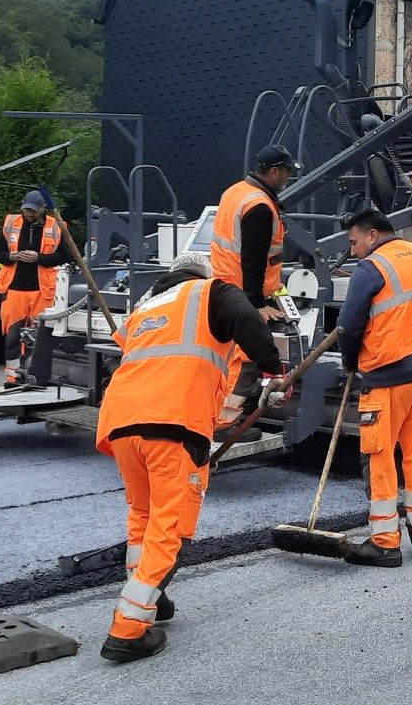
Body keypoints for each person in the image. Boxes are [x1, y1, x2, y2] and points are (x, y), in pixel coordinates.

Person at [94, 252, 283, 664]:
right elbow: (249, 320)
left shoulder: (147, 305)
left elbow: (120, 358)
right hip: (173, 421)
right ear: (201, 275)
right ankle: (128, 629)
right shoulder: (210, 291)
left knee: (143, 514)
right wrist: (273, 370)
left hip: (123, 421)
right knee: (170, 525)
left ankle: (150, 596)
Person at [334, 208, 412, 568]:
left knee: (380, 454)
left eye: (354, 242)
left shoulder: (371, 268)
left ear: (372, 235)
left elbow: (349, 325)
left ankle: (385, 543)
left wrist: (351, 362)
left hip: (389, 377)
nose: (352, 251)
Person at [209, 146, 297, 322]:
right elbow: (253, 259)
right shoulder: (259, 207)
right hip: (243, 296)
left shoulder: (235, 191)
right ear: (274, 172)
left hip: (223, 287)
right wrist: (257, 304)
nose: (289, 175)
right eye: (287, 170)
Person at [0, 190, 68, 388]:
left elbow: (64, 257)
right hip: (14, 289)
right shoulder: (11, 224)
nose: (29, 214)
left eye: (33, 211)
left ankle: (33, 375)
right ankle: (12, 377)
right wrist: (11, 257)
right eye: (26, 210)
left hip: (42, 290)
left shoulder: (56, 226)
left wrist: (39, 259)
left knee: (39, 337)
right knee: (12, 335)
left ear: (42, 210)